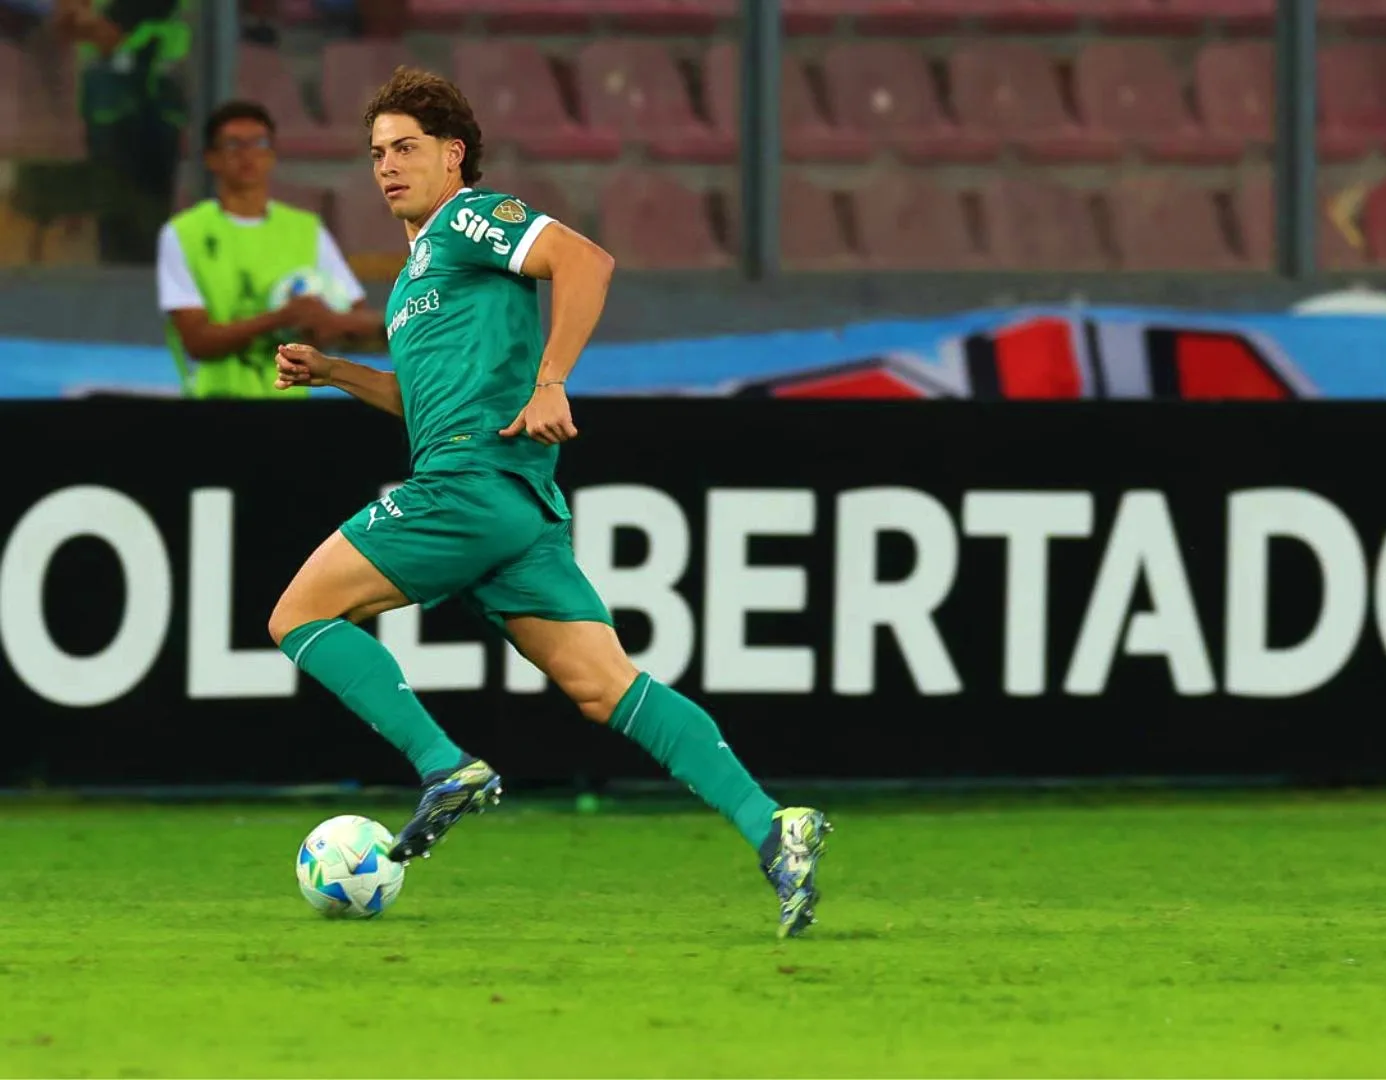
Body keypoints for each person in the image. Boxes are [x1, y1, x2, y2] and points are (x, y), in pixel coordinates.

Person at [266, 66, 831, 938]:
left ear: (454, 155)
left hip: (467, 483)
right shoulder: (418, 272)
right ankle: (774, 828)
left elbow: (585, 260)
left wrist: (553, 380)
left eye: (407, 148)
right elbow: (425, 405)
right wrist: (337, 373)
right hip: (517, 506)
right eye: (377, 152)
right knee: (607, 686)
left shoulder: (465, 218)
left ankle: (442, 765)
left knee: (298, 615)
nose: (387, 166)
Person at [159, 101, 385, 399]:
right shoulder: (184, 234)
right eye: (233, 144)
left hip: (289, 410)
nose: (247, 153)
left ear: (272, 155)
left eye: (259, 143)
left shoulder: (306, 230)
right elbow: (197, 342)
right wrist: (281, 318)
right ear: (211, 159)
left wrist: (323, 324)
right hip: (214, 406)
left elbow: (351, 321)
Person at [52, 0, 189, 264]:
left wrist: (95, 22)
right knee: (115, 208)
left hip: (152, 94)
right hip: (109, 93)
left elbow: (106, 32)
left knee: (144, 210)